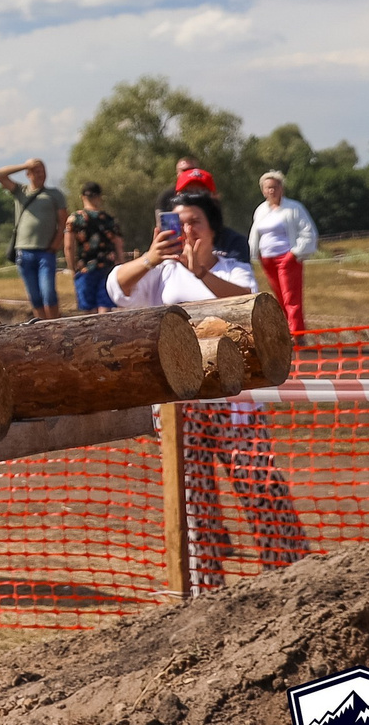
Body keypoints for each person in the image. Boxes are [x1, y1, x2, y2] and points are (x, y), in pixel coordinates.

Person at [108, 194, 310, 587]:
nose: (185, 229)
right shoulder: (160, 273)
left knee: (259, 485)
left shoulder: (234, 269)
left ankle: (290, 574)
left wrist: (202, 272)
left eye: (194, 221)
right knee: (195, 501)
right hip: (183, 406)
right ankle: (206, 589)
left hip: (235, 403)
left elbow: (249, 306)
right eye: (177, 221)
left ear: (213, 228)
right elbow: (115, 287)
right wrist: (151, 257)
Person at [0, 157, 68, 318]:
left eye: (43, 171)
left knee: (48, 293)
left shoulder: (54, 194)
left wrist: (55, 245)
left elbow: (63, 222)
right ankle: (41, 329)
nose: (41, 174)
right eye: (36, 171)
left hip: (45, 252)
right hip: (23, 251)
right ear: (28, 174)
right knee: (34, 296)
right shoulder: (20, 191)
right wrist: (25, 165)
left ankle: (55, 326)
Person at [249, 171, 319, 335]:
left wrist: (294, 254)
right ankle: (286, 332)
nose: (271, 191)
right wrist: (256, 253)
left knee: (291, 297)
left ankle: (297, 334)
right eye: (268, 188)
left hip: (287, 258)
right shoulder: (261, 210)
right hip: (267, 259)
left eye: (274, 187)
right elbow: (255, 234)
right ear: (263, 190)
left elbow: (308, 232)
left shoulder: (294, 208)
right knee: (279, 297)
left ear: (281, 188)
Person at [67, 182, 125, 314]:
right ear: (99, 197)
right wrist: (121, 264)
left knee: (88, 310)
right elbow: (118, 244)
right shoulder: (109, 219)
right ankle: (104, 333)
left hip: (85, 268)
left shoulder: (74, 219)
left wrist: (72, 268)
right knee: (105, 305)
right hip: (108, 267)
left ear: (82, 197)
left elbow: (68, 246)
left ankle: (91, 335)